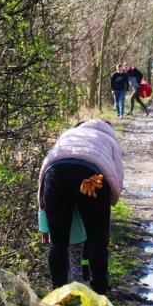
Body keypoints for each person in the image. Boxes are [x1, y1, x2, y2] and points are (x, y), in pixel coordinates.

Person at [37, 119, 124, 293]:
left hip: (55, 175)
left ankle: (58, 294)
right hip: (91, 177)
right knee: (97, 240)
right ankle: (100, 293)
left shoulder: (68, 134)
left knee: (58, 243)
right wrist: (108, 201)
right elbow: (117, 176)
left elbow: (45, 168)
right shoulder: (109, 139)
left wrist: (42, 204)